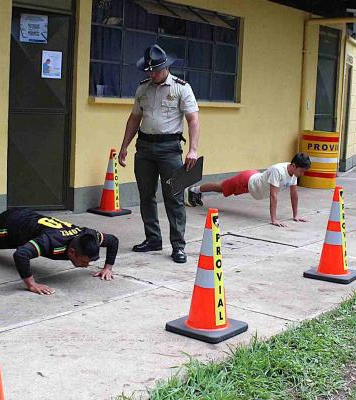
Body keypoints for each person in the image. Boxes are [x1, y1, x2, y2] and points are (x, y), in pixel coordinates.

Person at [117, 44, 200, 264]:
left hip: (170, 149)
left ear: (165, 67)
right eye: (148, 70)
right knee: (146, 195)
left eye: (154, 70)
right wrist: (124, 146)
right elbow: (134, 118)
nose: (151, 74)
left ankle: (178, 246)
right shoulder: (143, 88)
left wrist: (193, 150)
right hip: (144, 148)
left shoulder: (182, 88)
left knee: (174, 197)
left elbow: (193, 119)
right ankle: (152, 238)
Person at [0, 209, 119, 295]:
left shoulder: (90, 235)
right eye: (84, 261)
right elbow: (21, 254)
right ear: (72, 252)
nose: (86, 265)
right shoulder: (50, 242)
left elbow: (113, 240)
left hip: (31, 221)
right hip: (14, 223)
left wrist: (108, 267)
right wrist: (31, 284)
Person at [184, 153, 312, 227]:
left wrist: (295, 215)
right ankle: (193, 190)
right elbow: (274, 195)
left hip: (254, 182)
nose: (303, 174)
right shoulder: (278, 170)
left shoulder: (293, 174)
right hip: (246, 181)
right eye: (302, 171)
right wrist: (274, 219)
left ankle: (195, 191)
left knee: (221, 188)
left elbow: (294, 194)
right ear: (294, 165)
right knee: (221, 188)